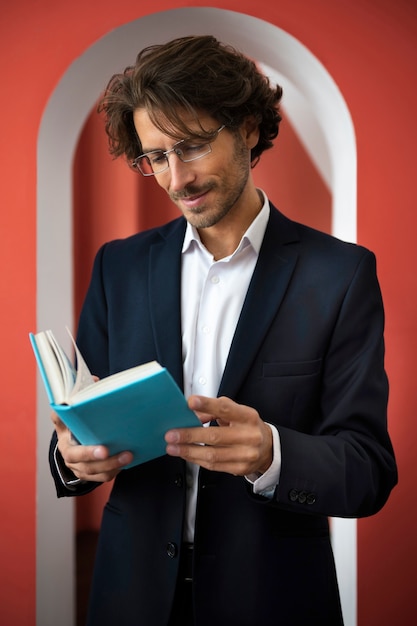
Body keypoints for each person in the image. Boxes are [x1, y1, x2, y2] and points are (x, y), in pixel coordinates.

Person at [49, 35, 397, 626]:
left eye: (191, 146)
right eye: (154, 156)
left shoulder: (341, 274)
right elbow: (81, 420)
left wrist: (273, 453)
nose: (174, 178)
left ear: (251, 128)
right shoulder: (119, 266)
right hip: (128, 595)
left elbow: (367, 470)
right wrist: (71, 458)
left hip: (274, 598)